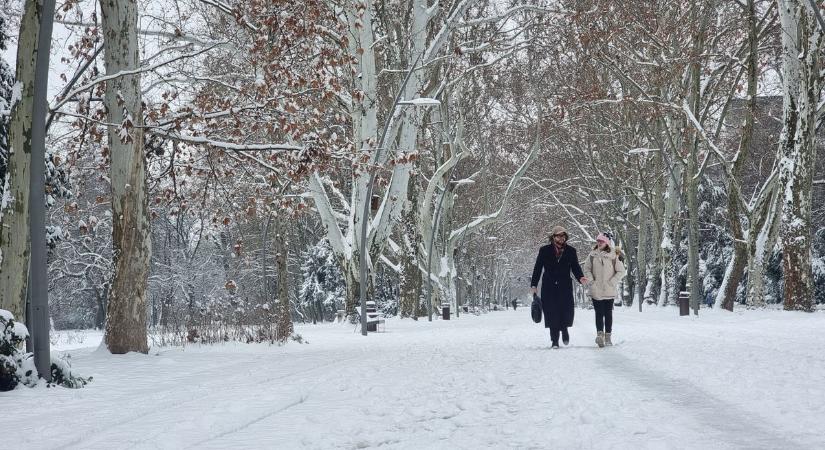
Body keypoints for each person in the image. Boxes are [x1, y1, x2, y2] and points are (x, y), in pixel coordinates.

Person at [531, 225, 587, 349]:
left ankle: (564, 329)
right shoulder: (544, 250)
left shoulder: (571, 251)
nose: (561, 238)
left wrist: (580, 277)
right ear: (553, 237)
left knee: (565, 311)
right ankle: (554, 341)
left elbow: (575, 267)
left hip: (565, 286)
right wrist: (534, 285)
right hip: (549, 287)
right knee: (551, 313)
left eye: (563, 235)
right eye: (558, 236)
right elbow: (538, 268)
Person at [582, 232, 626, 348]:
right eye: (598, 241)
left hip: (608, 289)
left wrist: (612, 282)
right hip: (596, 289)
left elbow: (621, 271)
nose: (599, 243)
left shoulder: (614, 255)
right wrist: (591, 281)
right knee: (598, 313)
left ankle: (608, 337)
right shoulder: (592, 255)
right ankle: (599, 335)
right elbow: (587, 269)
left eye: (601, 241)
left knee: (608, 313)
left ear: (606, 243)